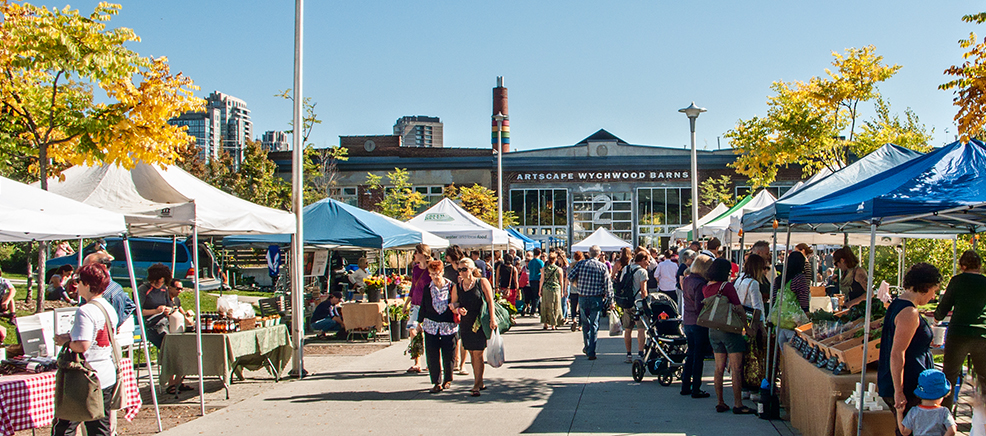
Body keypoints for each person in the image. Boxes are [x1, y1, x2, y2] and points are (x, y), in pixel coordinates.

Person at [52, 264, 119, 436]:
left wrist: (65, 342)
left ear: (87, 285)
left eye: (79, 281)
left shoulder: (85, 310)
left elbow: (83, 345)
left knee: (66, 424)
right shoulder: (108, 307)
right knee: (99, 426)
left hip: (85, 376)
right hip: (105, 372)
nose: (76, 285)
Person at [879, 263, 941, 435]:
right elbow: (897, 353)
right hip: (908, 384)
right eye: (933, 291)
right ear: (925, 287)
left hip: (905, 382)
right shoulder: (909, 312)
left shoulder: (898, 304)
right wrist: (899, 391)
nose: (933, 296)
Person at [935, 250, 986, 408]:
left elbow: (945, 304)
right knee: (984, 378)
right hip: (982, 333)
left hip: (958, 333)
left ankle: (946, 413)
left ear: (962, 266)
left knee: (949, 376)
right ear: (979, 266)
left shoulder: (957, 281)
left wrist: (937, 317)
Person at [704, 258, 754, 414]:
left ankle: (720, 402)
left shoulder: (707, 287)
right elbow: (739, 308)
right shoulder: (727, 287)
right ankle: (738, 403)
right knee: (736, 368)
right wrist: (746, 327)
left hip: (713, 329)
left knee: (718, 368)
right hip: (729, 329)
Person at [453, 258, 497, 397]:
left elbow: (490, 301)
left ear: (472, 269)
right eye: (460, 270)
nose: (462, 272)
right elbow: (454, 303)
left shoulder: (481, 282)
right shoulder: (457, 286)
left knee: (478, 353)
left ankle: (476, 384)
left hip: (479, 321)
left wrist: (492, 318)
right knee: (472, 353)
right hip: (466, 323)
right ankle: (480, 380)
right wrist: (458, 309)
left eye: (464, 269)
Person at [567, 245, 613, 361]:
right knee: (594, 324)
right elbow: (608, 285)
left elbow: (570, 276)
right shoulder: (602, 266)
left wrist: (579, 282)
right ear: (599, 254)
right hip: (596, 297)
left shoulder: (581, 264)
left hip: (582, 296)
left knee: (585, 323)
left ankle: (587, 347)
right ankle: (591, 350)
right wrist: (610, 300)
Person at [420, 261, 458, 393]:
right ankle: (436, 382)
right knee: (432, 355)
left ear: (442, 272)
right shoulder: (427, 288)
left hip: (448, 325)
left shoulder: (451, 286)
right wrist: (419, 322)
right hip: (431, 325)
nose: (435, 276)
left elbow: (457, 302)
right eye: (432, 274)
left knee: (449, 354)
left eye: (437, 273)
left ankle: (447, 379)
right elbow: (423, 306)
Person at [734, 253, 768, 398]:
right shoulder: (753, 283)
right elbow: (757, 307)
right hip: (751, 323)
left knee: (743, 357)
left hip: (739, 322)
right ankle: (753, 387)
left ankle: (744, 388)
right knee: (754, 357)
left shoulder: (740, 279)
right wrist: (762, 327)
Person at [681, 254, 712, 398]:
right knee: (698, 356)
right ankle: (696, 388)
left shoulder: (687, 279)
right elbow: (699, 305)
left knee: (691, 354)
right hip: (698, 322)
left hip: (688, 320)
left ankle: (685, 385)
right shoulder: (700, 283)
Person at [896, 369, 957, 436]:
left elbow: (905, 432)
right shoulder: (944, 412)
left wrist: (899, 413)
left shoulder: (913, 412)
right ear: (941, 395)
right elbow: (952, 430)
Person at [81, 255, 135, 329]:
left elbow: (130, 305)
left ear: (103, 267)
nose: (83, 271)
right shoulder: (116, 286)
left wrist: (116, 324)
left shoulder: (102, 292)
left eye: (88, 267)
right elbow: (130, 305)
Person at [404, 243, 432, 373]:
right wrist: (406, 303)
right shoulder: (416, 269)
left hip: (428, 305)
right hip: (415, 303)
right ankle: (417, 361)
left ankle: (431, 362)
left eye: (416, 252)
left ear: (422, 254)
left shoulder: (431, 268)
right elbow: (413, 287)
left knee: (428, 333)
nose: (414, 255)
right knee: (413, 330)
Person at [621, 252, 649, 363]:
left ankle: (628, 354)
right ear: (642, 260)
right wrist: (646, 303)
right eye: (647, 260)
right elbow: (643, 290)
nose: (648, 263)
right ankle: (640, 353)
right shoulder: (642, 272)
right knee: (641, 329)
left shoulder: (626, 269)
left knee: (628, 329)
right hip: (638, 304)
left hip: (627, 303)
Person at [539, 252, 565, 330]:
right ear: (555, 259)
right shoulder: (559, 269)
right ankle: (554, 324)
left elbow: (542, 280)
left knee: (546, 306)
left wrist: (540, 290)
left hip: (546, 289)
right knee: (555, 306)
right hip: (555, 289)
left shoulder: (544, 269)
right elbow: (561, 281)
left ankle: (545, 323)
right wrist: (562, 291)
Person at [527, 248, 545, 317]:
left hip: (531, 279)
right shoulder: (540, 262)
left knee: (534, 295)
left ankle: (540, 310)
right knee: (537, 296)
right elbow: (542, 271)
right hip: (538, 279)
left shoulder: (530, 262)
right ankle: (533, 311)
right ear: (540, 253)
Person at [569, 251, 584, 331]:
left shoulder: (571, 266)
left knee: (573, 306)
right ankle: (580, 325)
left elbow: (568, 277)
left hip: (573, 289)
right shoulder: (583, 265)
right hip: (581, 289)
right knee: (581, 308)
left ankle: (574, 319)